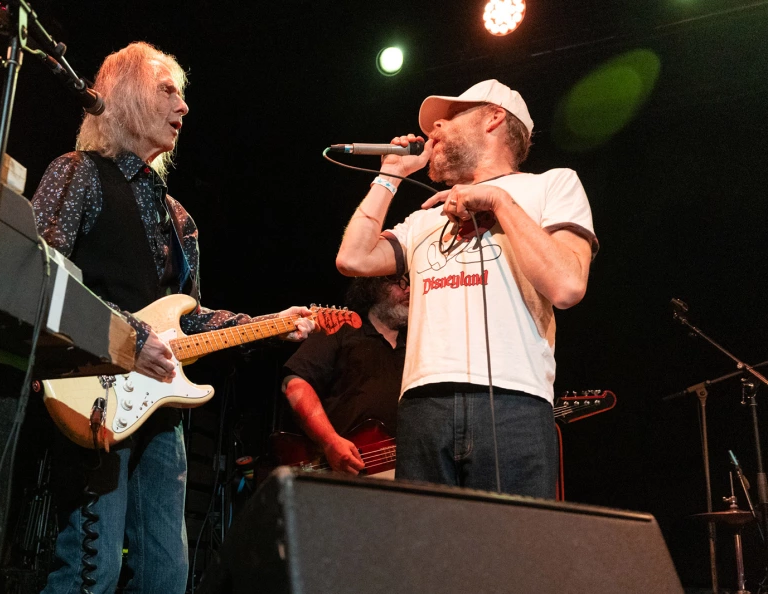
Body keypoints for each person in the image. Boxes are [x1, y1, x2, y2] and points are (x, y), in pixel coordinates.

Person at [31, 42, 313, 594]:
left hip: (161, 409)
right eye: (167, 91)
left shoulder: (179, 218)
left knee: (166, 576)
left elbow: (191, 317)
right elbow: (41, 273)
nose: (183, 107)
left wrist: (270, 323)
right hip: (93, 392)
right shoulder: (78, 172)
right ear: (126, 94)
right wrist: (131, 337)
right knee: (92, 572)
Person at [335, 79, 598, 498]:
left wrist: (498, 201)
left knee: (510, 539)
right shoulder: (426, 217)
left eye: (452, 115)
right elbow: (352, 259)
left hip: (512, 402)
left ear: (494, 118)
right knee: (427, 540)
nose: (434, 127)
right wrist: (389, 176)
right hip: (423, 404)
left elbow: (567, 286)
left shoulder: (551, 185)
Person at [281, 275, 408, 477]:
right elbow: (295, 384)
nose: (409, 290)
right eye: (400, 282)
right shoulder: (339, 327)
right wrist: (330, 441)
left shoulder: (416, 347)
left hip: (400, 475)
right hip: (341, 471)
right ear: (373, 285)